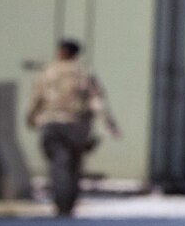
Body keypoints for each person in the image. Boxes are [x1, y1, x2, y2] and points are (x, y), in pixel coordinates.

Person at [25, 39, 119, 216]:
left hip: (51, 124)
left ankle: (60, 203)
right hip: (76, 126)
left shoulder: (48, 72)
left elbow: (36, 98)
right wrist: (110, 124)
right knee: (73, 165)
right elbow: (97, 101)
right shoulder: (84, 73)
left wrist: (31, 118)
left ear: (60, 52)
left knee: (57, 165)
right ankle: (68, 203)